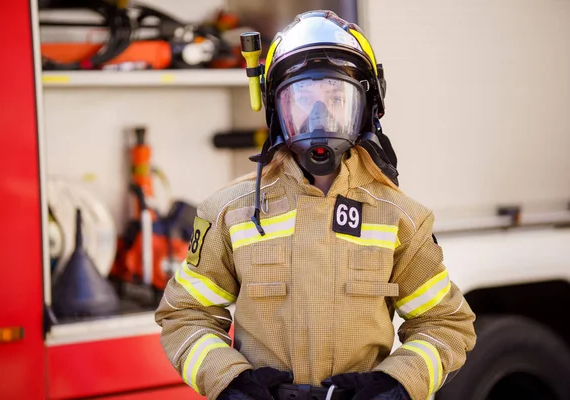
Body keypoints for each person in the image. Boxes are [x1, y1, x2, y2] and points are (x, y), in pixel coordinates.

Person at [155, 10, 476, 400]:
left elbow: (444, 323)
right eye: (303, 98)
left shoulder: (400, 218)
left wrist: (397, 385)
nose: (319, 115)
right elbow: (186, 316)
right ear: (277, 108)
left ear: (367, 107)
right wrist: (231, 383)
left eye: (337, 97)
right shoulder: (229, 212)